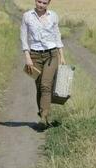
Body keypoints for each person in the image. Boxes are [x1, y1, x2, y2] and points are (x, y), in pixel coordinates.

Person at [20, 0, 66, 129]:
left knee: (46, 85)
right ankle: (43, 115)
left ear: (48, 4)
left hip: (51, 55)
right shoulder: (27, 16)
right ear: (35, 1)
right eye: (39, 1)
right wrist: (27, 56)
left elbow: (57, 35)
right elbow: (23, 37)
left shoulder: (53, 16)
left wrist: (62, 56)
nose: (41, 5)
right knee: (39, 87)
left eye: (44, 3)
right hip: (34, 56)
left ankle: (44, 116)